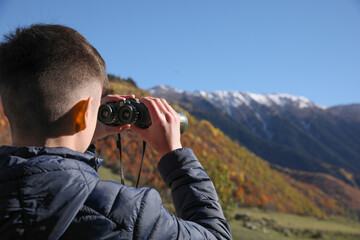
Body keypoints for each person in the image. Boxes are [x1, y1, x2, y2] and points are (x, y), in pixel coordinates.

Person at [0, 24, 232, 240]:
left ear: (6, 109)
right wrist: (174, 154)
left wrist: (82, 132)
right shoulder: (126, 215)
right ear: (82, 114)